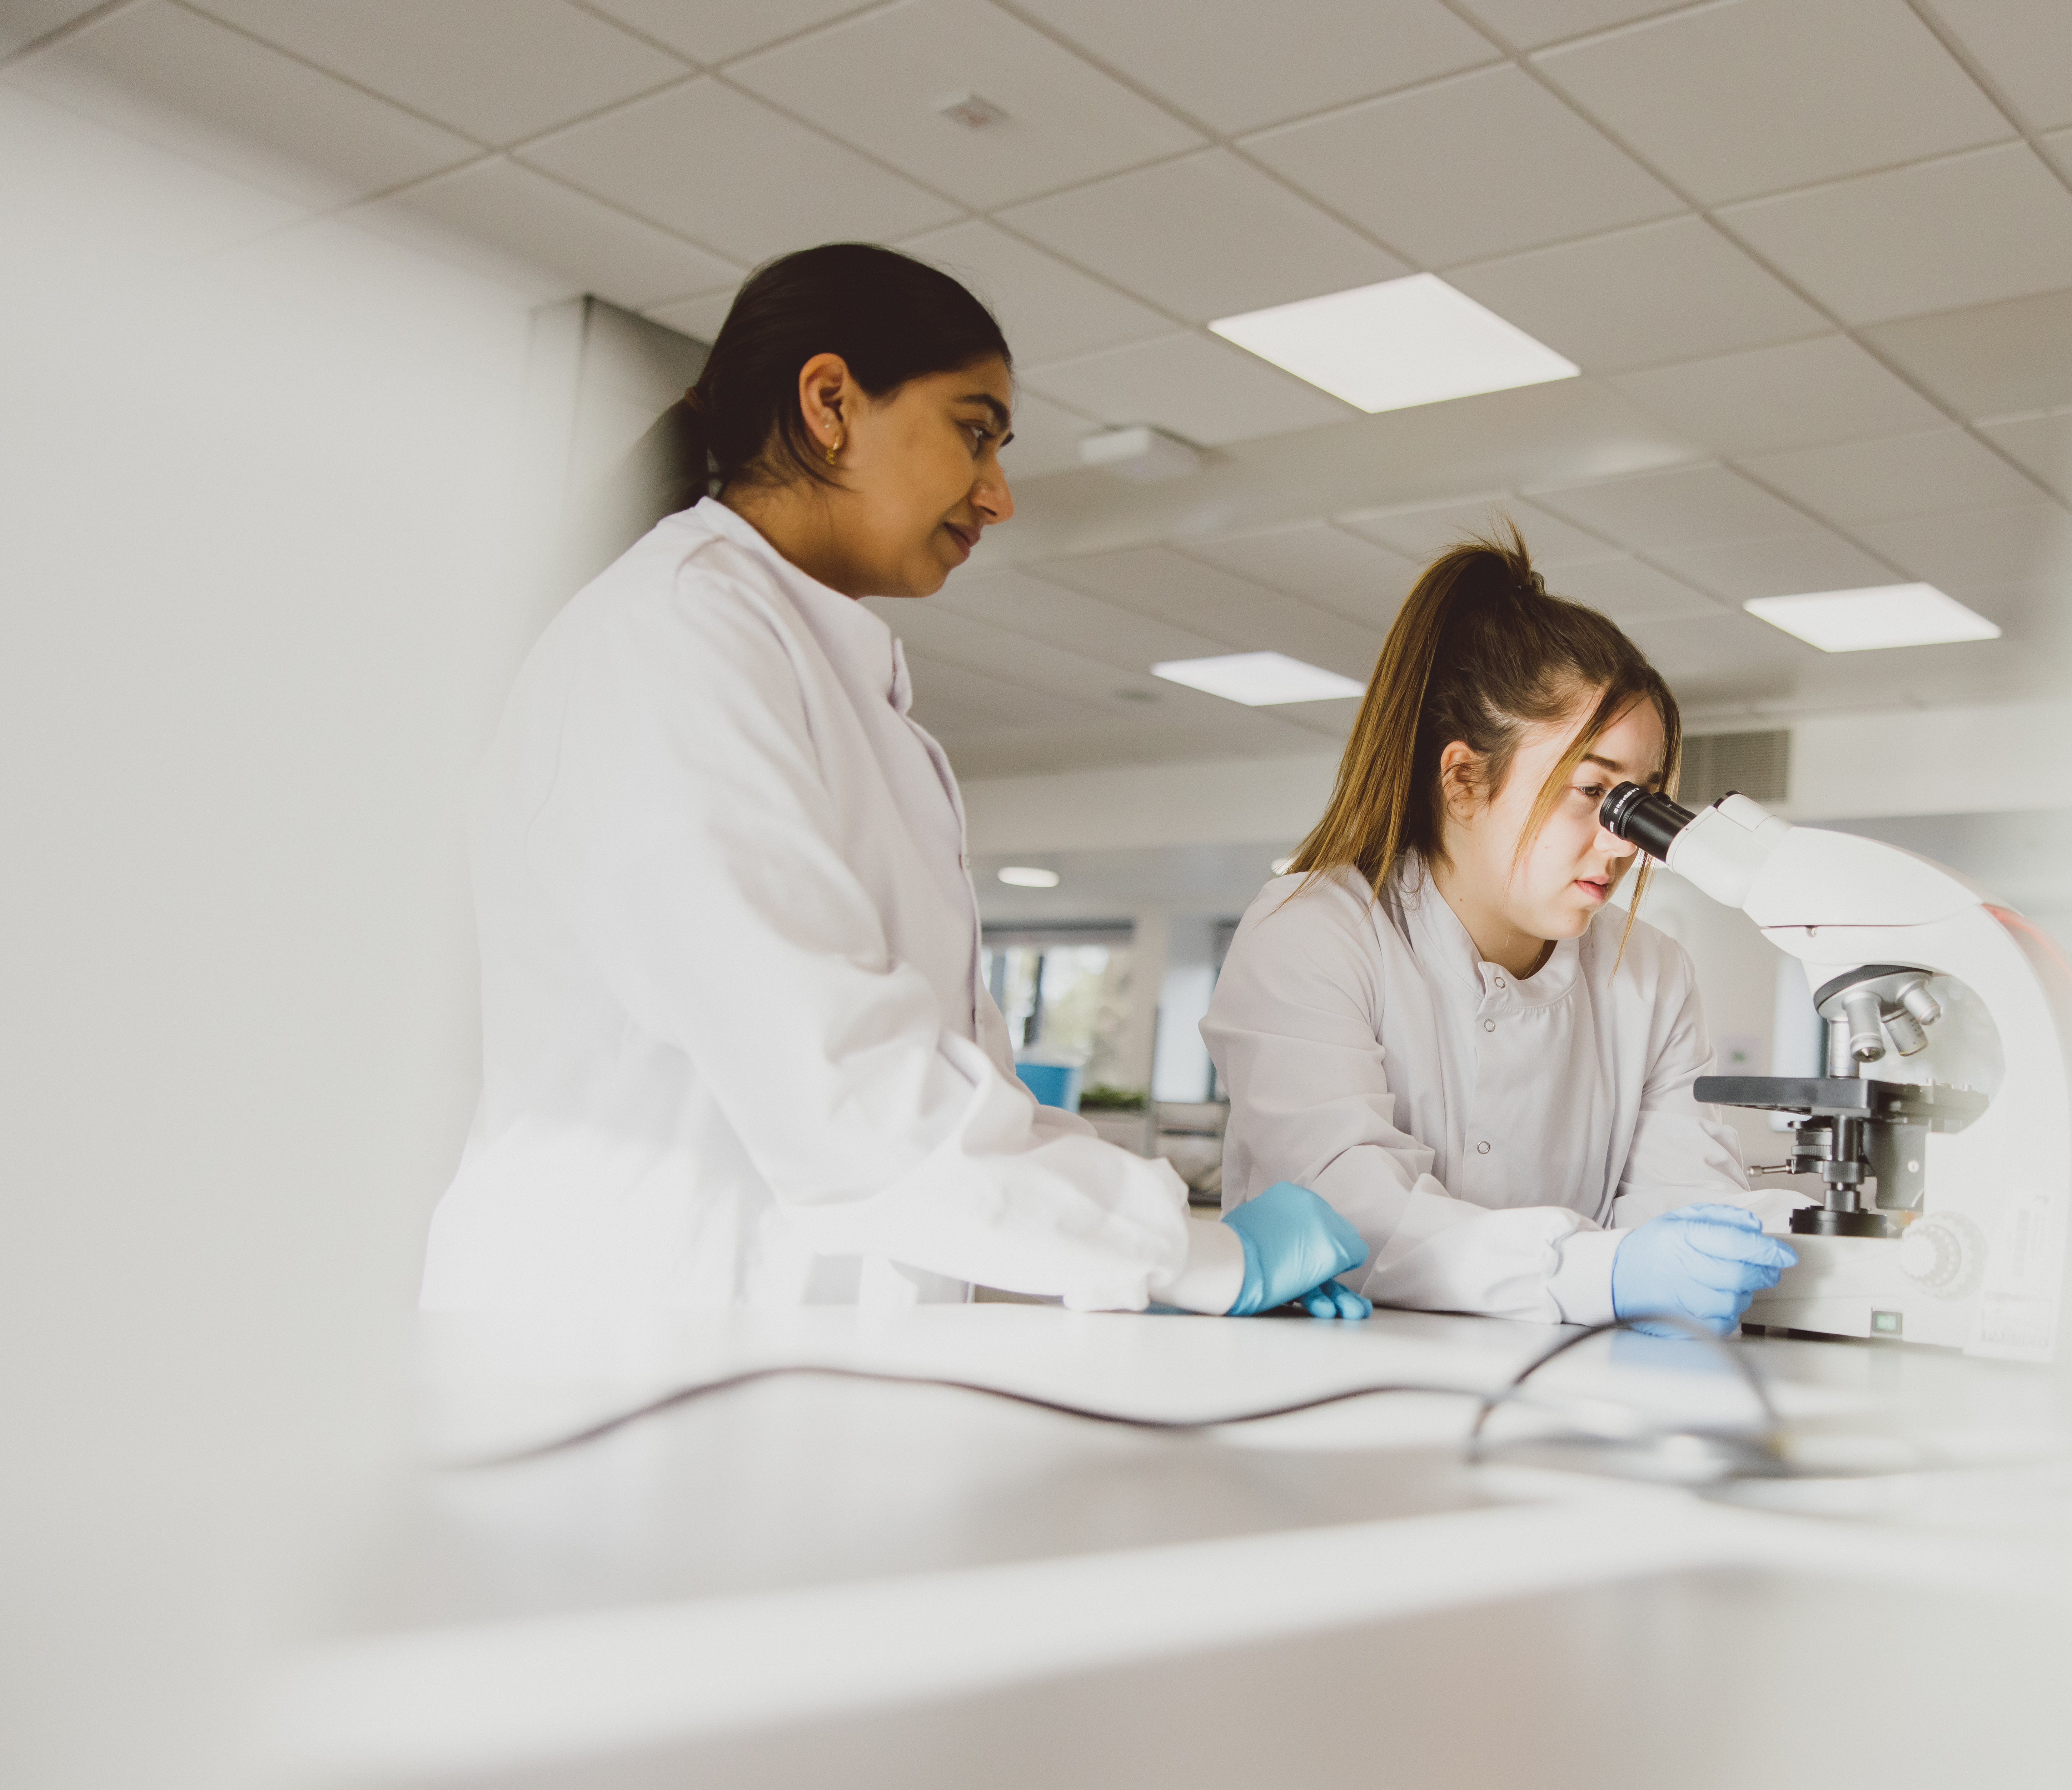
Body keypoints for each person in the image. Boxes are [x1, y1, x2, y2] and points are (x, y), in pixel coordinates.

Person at [422, 243, 1365, 1318]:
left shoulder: (822, 676)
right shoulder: (673, 635)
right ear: (830, 402)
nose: (1000, 495)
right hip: (614, 1337)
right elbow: (841, 1094)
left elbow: (962, 1082)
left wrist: (1176, 1245)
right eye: (975, 433)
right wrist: (1198, 1259)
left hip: (763, 1360)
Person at [1201, 536, 1799, 1333]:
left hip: (1568, 1393)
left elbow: (1682, 1200)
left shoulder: (1649, 972)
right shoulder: (1315, 933)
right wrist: (1610, 1271)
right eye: (1592, 790)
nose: (1624, 842)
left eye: (1643, 802)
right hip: (1339, 1387)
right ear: (1462, 778)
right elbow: (1350, 1214)